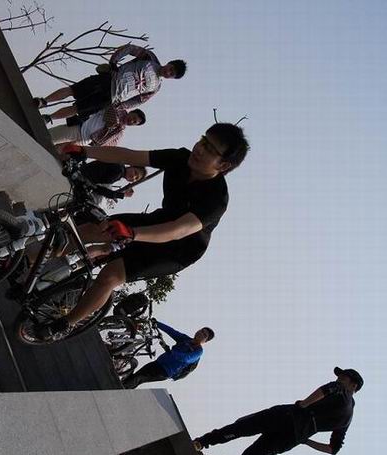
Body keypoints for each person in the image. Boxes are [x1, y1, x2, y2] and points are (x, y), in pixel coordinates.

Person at [34, 122, 249, 339]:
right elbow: (129, 155)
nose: (200, 149)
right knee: (90, 229)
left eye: (210, 149)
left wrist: (133, 233)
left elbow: (177, 230)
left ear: (223, 165)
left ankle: (64, 324)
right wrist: (84, 150)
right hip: (158, 220)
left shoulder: (216, 200)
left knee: (111, 275)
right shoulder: (180, 157)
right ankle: (30, 261)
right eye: (203, 140)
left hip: (177, 249)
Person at [193, 368, 364, 455]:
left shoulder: (342, 390)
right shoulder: (348, 418)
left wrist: (304, 404)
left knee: (242, 427)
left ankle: (202, 442)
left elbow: (327, 389)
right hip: (293, 438)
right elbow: (333, 449)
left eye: (343, 377)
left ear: (353, 385)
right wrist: (306, 441)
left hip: (288, 416)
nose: (338, 378)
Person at [33, 44, 187, 123]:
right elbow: (129, 48)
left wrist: (120, 106)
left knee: (78, 109)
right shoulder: (150, 58)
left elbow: (138, 100)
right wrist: (114, 62)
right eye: (171, 68)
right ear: (169, 63)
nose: (169, 72)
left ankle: (49, 118)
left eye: (172, 74)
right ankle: (44, 101)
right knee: (73, 90)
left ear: (172, 78)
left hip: (112, 98)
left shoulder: (156, 87)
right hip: (109, 79)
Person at [121, 321, 213, 389]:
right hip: (158, 363)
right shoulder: (185, 339)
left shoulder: (198, 351)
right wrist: (157, 323)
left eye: (204, 335)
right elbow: (171, 331)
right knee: (137, 375)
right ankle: (122, 386)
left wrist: (171, 351)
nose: (201, 333)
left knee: (139, 378)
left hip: (165, 371)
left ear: (205, 341)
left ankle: (119, 389)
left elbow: (186, 358)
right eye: (201, 331)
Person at [49, 105, 146, 147]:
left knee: (56, 152)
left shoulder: (119, 132)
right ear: (131, 112)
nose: (131, 121)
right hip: (79, 129)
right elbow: (108, 113)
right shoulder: (117, 109)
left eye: (134, 122)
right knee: (49, 137)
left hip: (84, 141)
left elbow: (106, 145)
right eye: (133, 117)